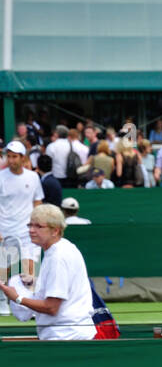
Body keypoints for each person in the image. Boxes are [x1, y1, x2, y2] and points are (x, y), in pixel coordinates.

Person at [0, 205, 96, 340]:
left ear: (55, 231)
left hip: (66, 338)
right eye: (30, 225)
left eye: (38, 226)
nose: (31, 230)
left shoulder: (58, 257)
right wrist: (34, 285)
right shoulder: (62, 248)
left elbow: (51, 307)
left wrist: (17, 298)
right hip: (66, 335)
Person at [0, 138, 43, 312]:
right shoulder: (0, 177)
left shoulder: (33, 177)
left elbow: (37, 202)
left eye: (14, 157)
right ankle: (2, 302)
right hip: (5, 230)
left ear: (22, 158)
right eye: (8, 156)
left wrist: (38, 226)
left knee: (30, 268)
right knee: (4, 269)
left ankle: (30, 305)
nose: (11, 160)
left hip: (27, 232)